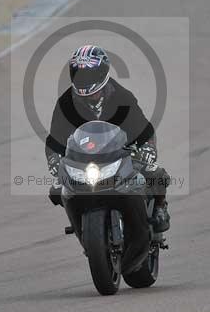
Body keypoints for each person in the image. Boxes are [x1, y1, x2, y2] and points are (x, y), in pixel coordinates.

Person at [45, 45, 170, 232]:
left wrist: (147, 151)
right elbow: (54, 140)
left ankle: (160, 208)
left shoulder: (122, 97)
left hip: (121, 155)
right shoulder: (65, 103)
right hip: (85, 163)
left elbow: (144, 130)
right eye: (79, 75)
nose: (84, 81)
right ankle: (80, 225)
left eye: (89, 76)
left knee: (155, 174)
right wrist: (55, 161)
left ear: (103, 73)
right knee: (57, 190)